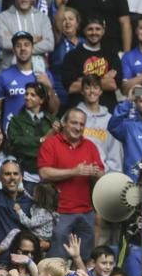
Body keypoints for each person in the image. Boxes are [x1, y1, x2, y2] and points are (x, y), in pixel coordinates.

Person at [37, 108, 103, 260]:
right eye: (74, 123)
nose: (78, 128)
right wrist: (74, 171)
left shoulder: (90, 146)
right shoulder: (51, 144)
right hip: (59, 212)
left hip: (86, 212)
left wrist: (95, 172)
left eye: (81, 124)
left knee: (85, 262)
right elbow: (44, 173)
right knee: (57, 262)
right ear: (64, 123)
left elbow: (101, 174)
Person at [0, 32, 60, 131]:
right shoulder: (3, 76)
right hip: (11, 134)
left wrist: (49, 87)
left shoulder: (44, 75)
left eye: (26, 45)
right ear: (14, 50)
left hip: (37, 134)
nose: (23, 48)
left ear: (33, 49)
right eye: (18, 45)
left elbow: (54, 110)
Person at [62, 0, 132, 54]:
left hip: (111, 53)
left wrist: (126, 55)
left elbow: (125, 22)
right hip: (80, 55)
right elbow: (62, 21)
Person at [60, 17, 123, 112]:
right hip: (80, 111)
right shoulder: (72, 55)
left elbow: (113, 85)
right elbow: (71, 87)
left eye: (98, 29)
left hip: (107, 110)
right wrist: (104, 79)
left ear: (103, 31)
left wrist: (83, 80)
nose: (94, 32)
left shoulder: (112, 54)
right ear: (84, 31)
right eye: (90, 29)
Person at [0, 0, 54, 70]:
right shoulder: (3, 17)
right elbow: (5, 43)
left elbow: (50, 44)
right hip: (11, 69)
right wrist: (34, 39)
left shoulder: (42, 17)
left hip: (37, 70)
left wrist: (16, 40)